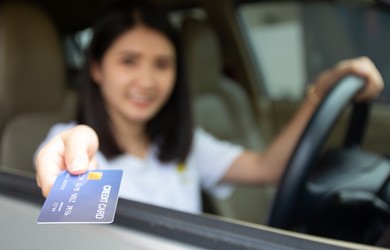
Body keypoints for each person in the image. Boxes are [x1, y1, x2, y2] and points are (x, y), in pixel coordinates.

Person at [34, 1, 384, 214]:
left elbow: (267, 167)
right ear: (96, 68)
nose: (147, 81)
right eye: (129, 61)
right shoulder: (75, 146)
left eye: (162, 64)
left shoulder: (182, 144)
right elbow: (78, 239)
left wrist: (318, 96)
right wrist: (75, 156)